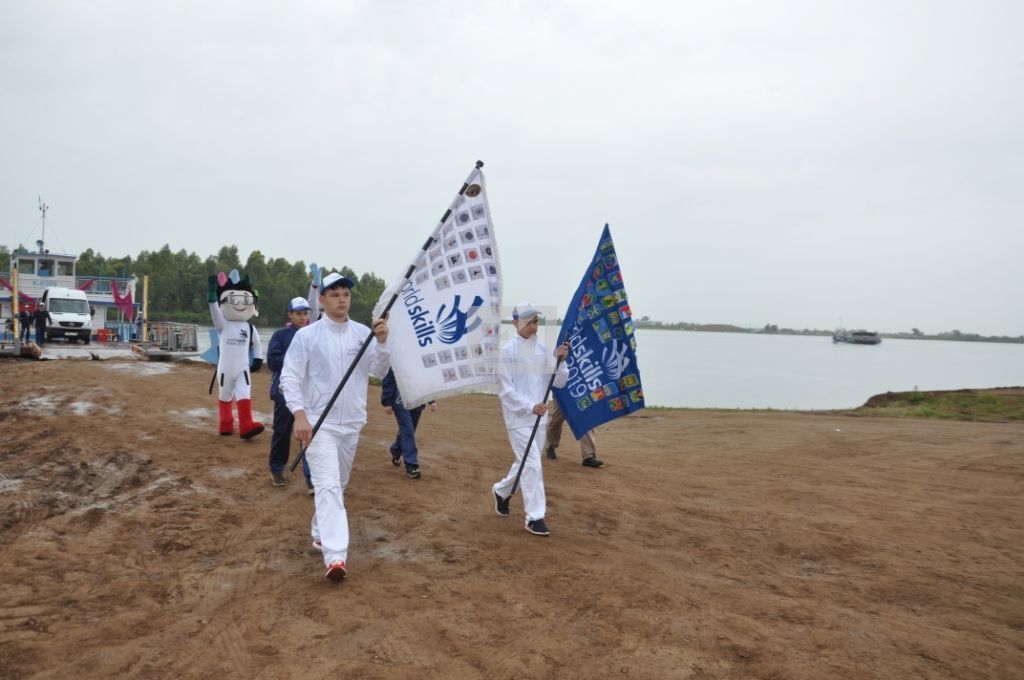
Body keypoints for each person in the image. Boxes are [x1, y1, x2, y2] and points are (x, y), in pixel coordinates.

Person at [280, 272, 390, 581]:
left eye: (346, 294)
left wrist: (382, 342)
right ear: (322, 300)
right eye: (335, 294)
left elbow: (379, 371)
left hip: (352, 423)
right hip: (318, 424)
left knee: (337, 485)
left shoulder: (361, 334)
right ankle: (335, 555)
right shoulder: (307, 336)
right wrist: (299, 415)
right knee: (326, 485)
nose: (342, 299)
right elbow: (290, 377)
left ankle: (319, 532)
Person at [491, 301, 568, 537]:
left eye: (535, 321)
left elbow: (559, 382)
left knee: (524, 462)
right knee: (533, 465)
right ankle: (535, 517)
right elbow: (505, 391)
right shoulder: (506, 353)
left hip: (540, 420)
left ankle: (502, 491)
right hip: (519, 420)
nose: (533, 327)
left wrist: (561, 361)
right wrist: (529, 406)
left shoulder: (543, 351)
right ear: (515, 323)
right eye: (528, 322)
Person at [266, 296, 314, 491]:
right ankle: (277, 468)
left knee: (310, 434)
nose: (303, 318)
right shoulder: (280, 336)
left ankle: (312, 478)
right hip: (284, 392)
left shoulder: (314, 334)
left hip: (310, 393)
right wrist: (295, 353)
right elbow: (272, 362)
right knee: (282, 432)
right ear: (290, 315)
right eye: (299, 314)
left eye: (306, 313)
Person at [380, 368, 437, 479]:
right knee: (408, 430)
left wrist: (431, 400)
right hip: (400, 401)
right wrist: (387, 401)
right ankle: (411, 465)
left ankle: (396, 449)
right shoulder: (397, 357)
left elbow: (425, 380)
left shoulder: (419, 359)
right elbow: (389, 378)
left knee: (408, 430)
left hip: (417, 401)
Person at [544, 399, 603, 467]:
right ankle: (551, 445)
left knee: (586, 421)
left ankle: (589, 456)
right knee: (556, 421)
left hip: (580, 393)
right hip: (562, 393)